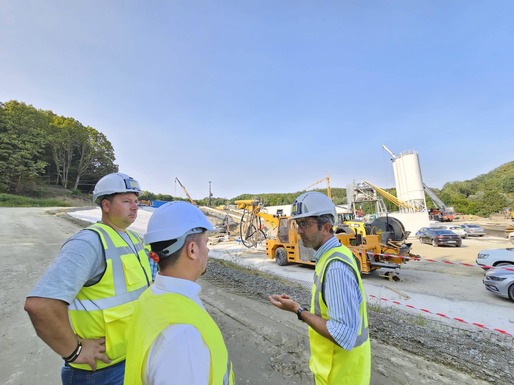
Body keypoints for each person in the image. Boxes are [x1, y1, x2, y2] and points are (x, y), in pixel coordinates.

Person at [24, 172, 153, 385]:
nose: (135, 207)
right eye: (126, 201)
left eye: (136, 201)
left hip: (130, 358)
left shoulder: (132, 238)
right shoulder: (89, 243)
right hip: (98, 372)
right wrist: (74, 352)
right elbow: (41, 305)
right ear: (106, 205)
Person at [124, 201, 235, 385]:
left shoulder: (150, 297)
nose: (207, 250)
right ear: (192, 249)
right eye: (206, 243)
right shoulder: (183, 336)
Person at [268, 191, 371, 385]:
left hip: (340, 377)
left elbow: (343, 335)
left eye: (304, 224)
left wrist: (298, 310)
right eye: (297, 224)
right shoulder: (332, 256)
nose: (298, 231)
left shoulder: (336, 268)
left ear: (326, 226)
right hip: (339, 373)